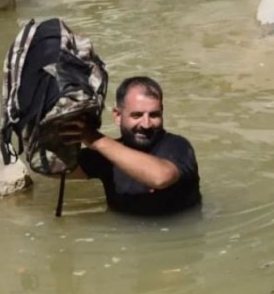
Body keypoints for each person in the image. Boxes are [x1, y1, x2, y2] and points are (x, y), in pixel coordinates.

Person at [60, 76, 202, 215]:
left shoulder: (178, 146)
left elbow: (161, 177)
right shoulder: (105, 155)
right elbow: (53, 169)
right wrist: (60, 130)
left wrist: (94, 139)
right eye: (137, 115)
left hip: (175, 237)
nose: (146, 124)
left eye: (154, 115)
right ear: (117, 116)